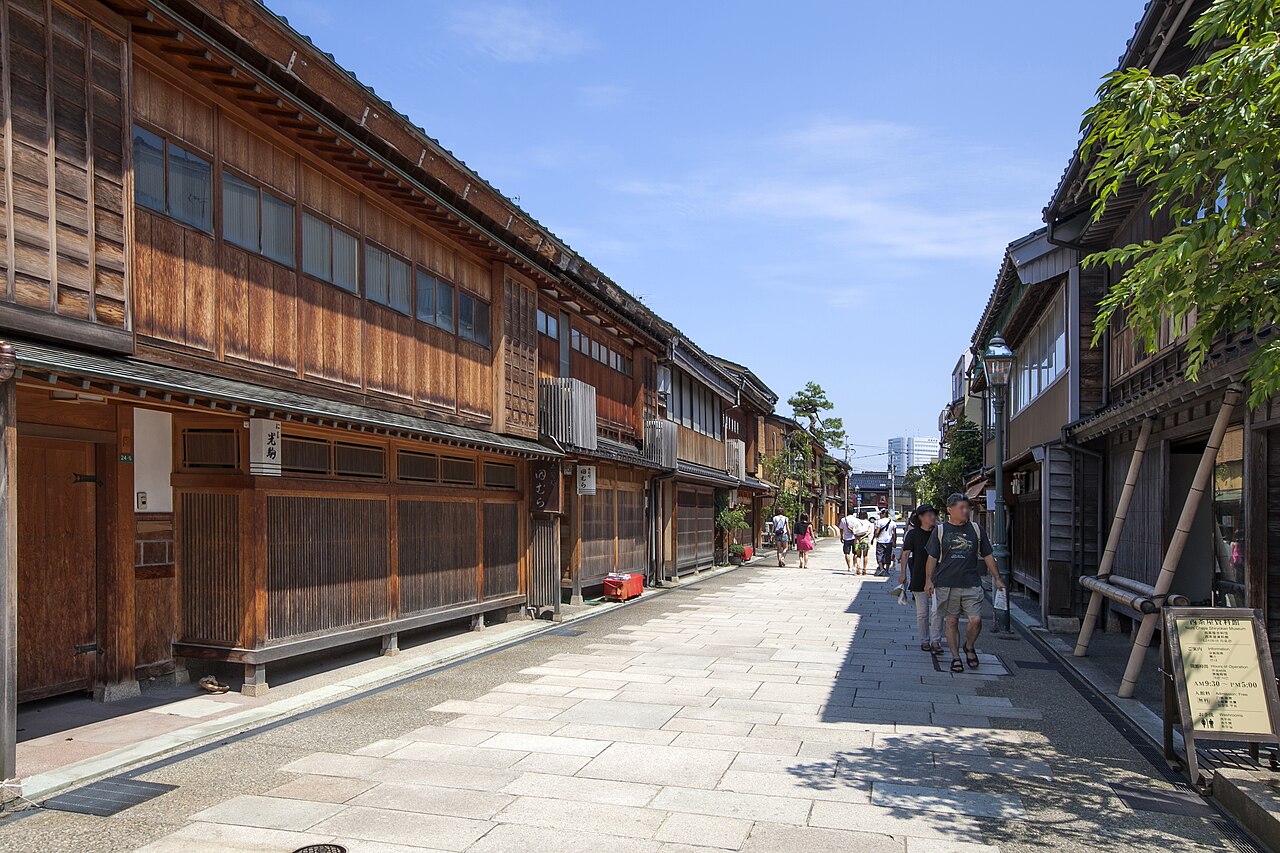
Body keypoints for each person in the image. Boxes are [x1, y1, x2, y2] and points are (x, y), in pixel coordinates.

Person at [924, 493, 1006, 674]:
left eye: (967, 507)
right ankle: (955, 657)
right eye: (961, 507)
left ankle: (969, 646)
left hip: (971, 582)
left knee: (975, 620)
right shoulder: (940, 531)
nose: (965, 511)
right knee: (951, 621)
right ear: (950, 510)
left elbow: (988, 555)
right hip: (946, 583)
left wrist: (997, 578)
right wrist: (929, 580)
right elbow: (932, 558)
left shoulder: (976, 529)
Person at [899, 504, 942, 654]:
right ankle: (924, 640)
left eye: (933, 514)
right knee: (923, 612)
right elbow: (905, 554)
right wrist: (903, 574)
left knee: (937, 610)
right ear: (921, 517)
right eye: (928, 514)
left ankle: (935, 641)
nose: (932, 517)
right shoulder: (913, 534)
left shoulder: (939, 533)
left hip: (939, 577)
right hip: (919, 576)